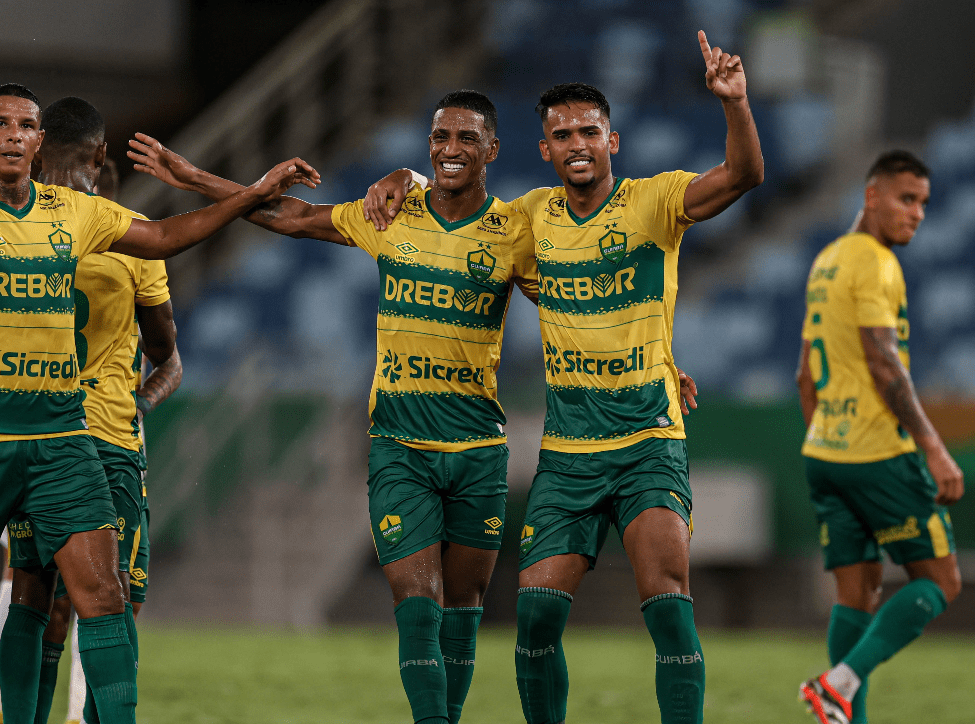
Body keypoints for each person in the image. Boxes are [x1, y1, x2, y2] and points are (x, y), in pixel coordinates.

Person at [363, 31, 761, 724]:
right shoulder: (533, 217)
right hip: (568, 454)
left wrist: (735, 105)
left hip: (646, 442)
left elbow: (743, 176)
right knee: (536, 618)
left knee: (666, 601)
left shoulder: (654, 202)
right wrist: (411, 177)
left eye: (590, 131)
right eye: (561, 134)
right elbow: (462, 198)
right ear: (544, 150)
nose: (577, 142)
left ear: (614, 141)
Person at [0, 82, 316, 724]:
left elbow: (167, 235)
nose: (13, 134)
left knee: (100, 596)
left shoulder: (78, 215)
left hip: (65, 442)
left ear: (39, 143)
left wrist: (255, 192)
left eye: (26, 125)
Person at [134, 89, 544, 724]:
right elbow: (289, 216)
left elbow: (576, 307)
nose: (451, 150)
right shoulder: (392, 216)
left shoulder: (516, 230)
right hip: (398, 445)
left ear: (492, 149)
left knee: (464, 603)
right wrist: (193, 177)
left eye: (467, 139)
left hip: (478, 449)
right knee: (416, 598)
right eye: (440, 138)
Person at [0, 96, 184, 724]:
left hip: (25, 431)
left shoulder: (5, 224)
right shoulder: (132, 237)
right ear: (102, 155)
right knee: (114, 601)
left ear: (38, 143)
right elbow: (167, 356)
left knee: (31, 593)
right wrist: (139, 403)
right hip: (103, 443)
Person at [795, 151, 963, 724]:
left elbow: (802, 375)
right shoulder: (876, 263)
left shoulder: (827, 260)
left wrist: (827, 438)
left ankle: (842, 706)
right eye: (906, 198)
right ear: (871, 195)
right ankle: (838, 683)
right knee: (940, 580)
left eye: (923, 204)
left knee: (858, 595)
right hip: (878, 452)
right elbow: (885, 364)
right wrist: (935, 448)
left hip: (824, 452)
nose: (916, 214)